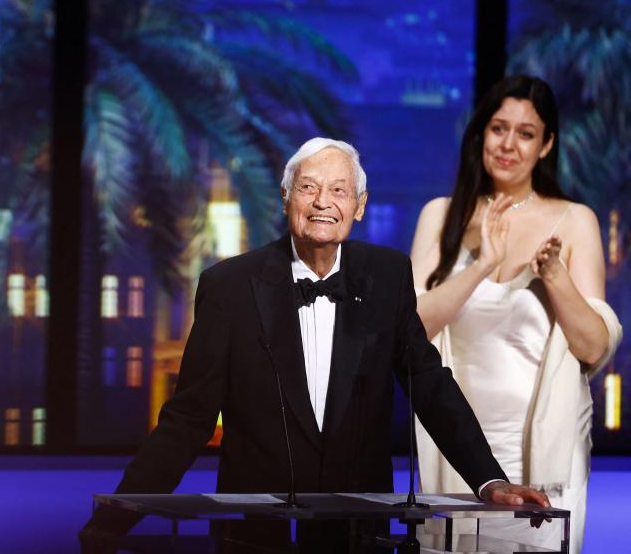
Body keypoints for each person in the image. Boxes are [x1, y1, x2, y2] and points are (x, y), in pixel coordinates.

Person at [81, 137, 549, 552]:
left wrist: (489, 481)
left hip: (356, 527)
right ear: (286, 199)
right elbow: (188, 418)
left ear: (360, 205)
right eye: (308, 188)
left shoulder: (386, 277)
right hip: (256, 530)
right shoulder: (229, 286)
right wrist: (111, 523)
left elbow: (429, 384)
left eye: (339, 190)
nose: (323, 202)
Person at [410, 75, 622, 552]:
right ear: (480, 133)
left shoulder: (574, 220)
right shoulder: (441, 216)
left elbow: (592, 347)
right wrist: (481, 263)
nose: (508, 144)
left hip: (545, 449)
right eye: (498, 128)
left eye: (526, 133)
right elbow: (411, 328)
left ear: (546, 145)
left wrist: (554, 275)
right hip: (457, 446)